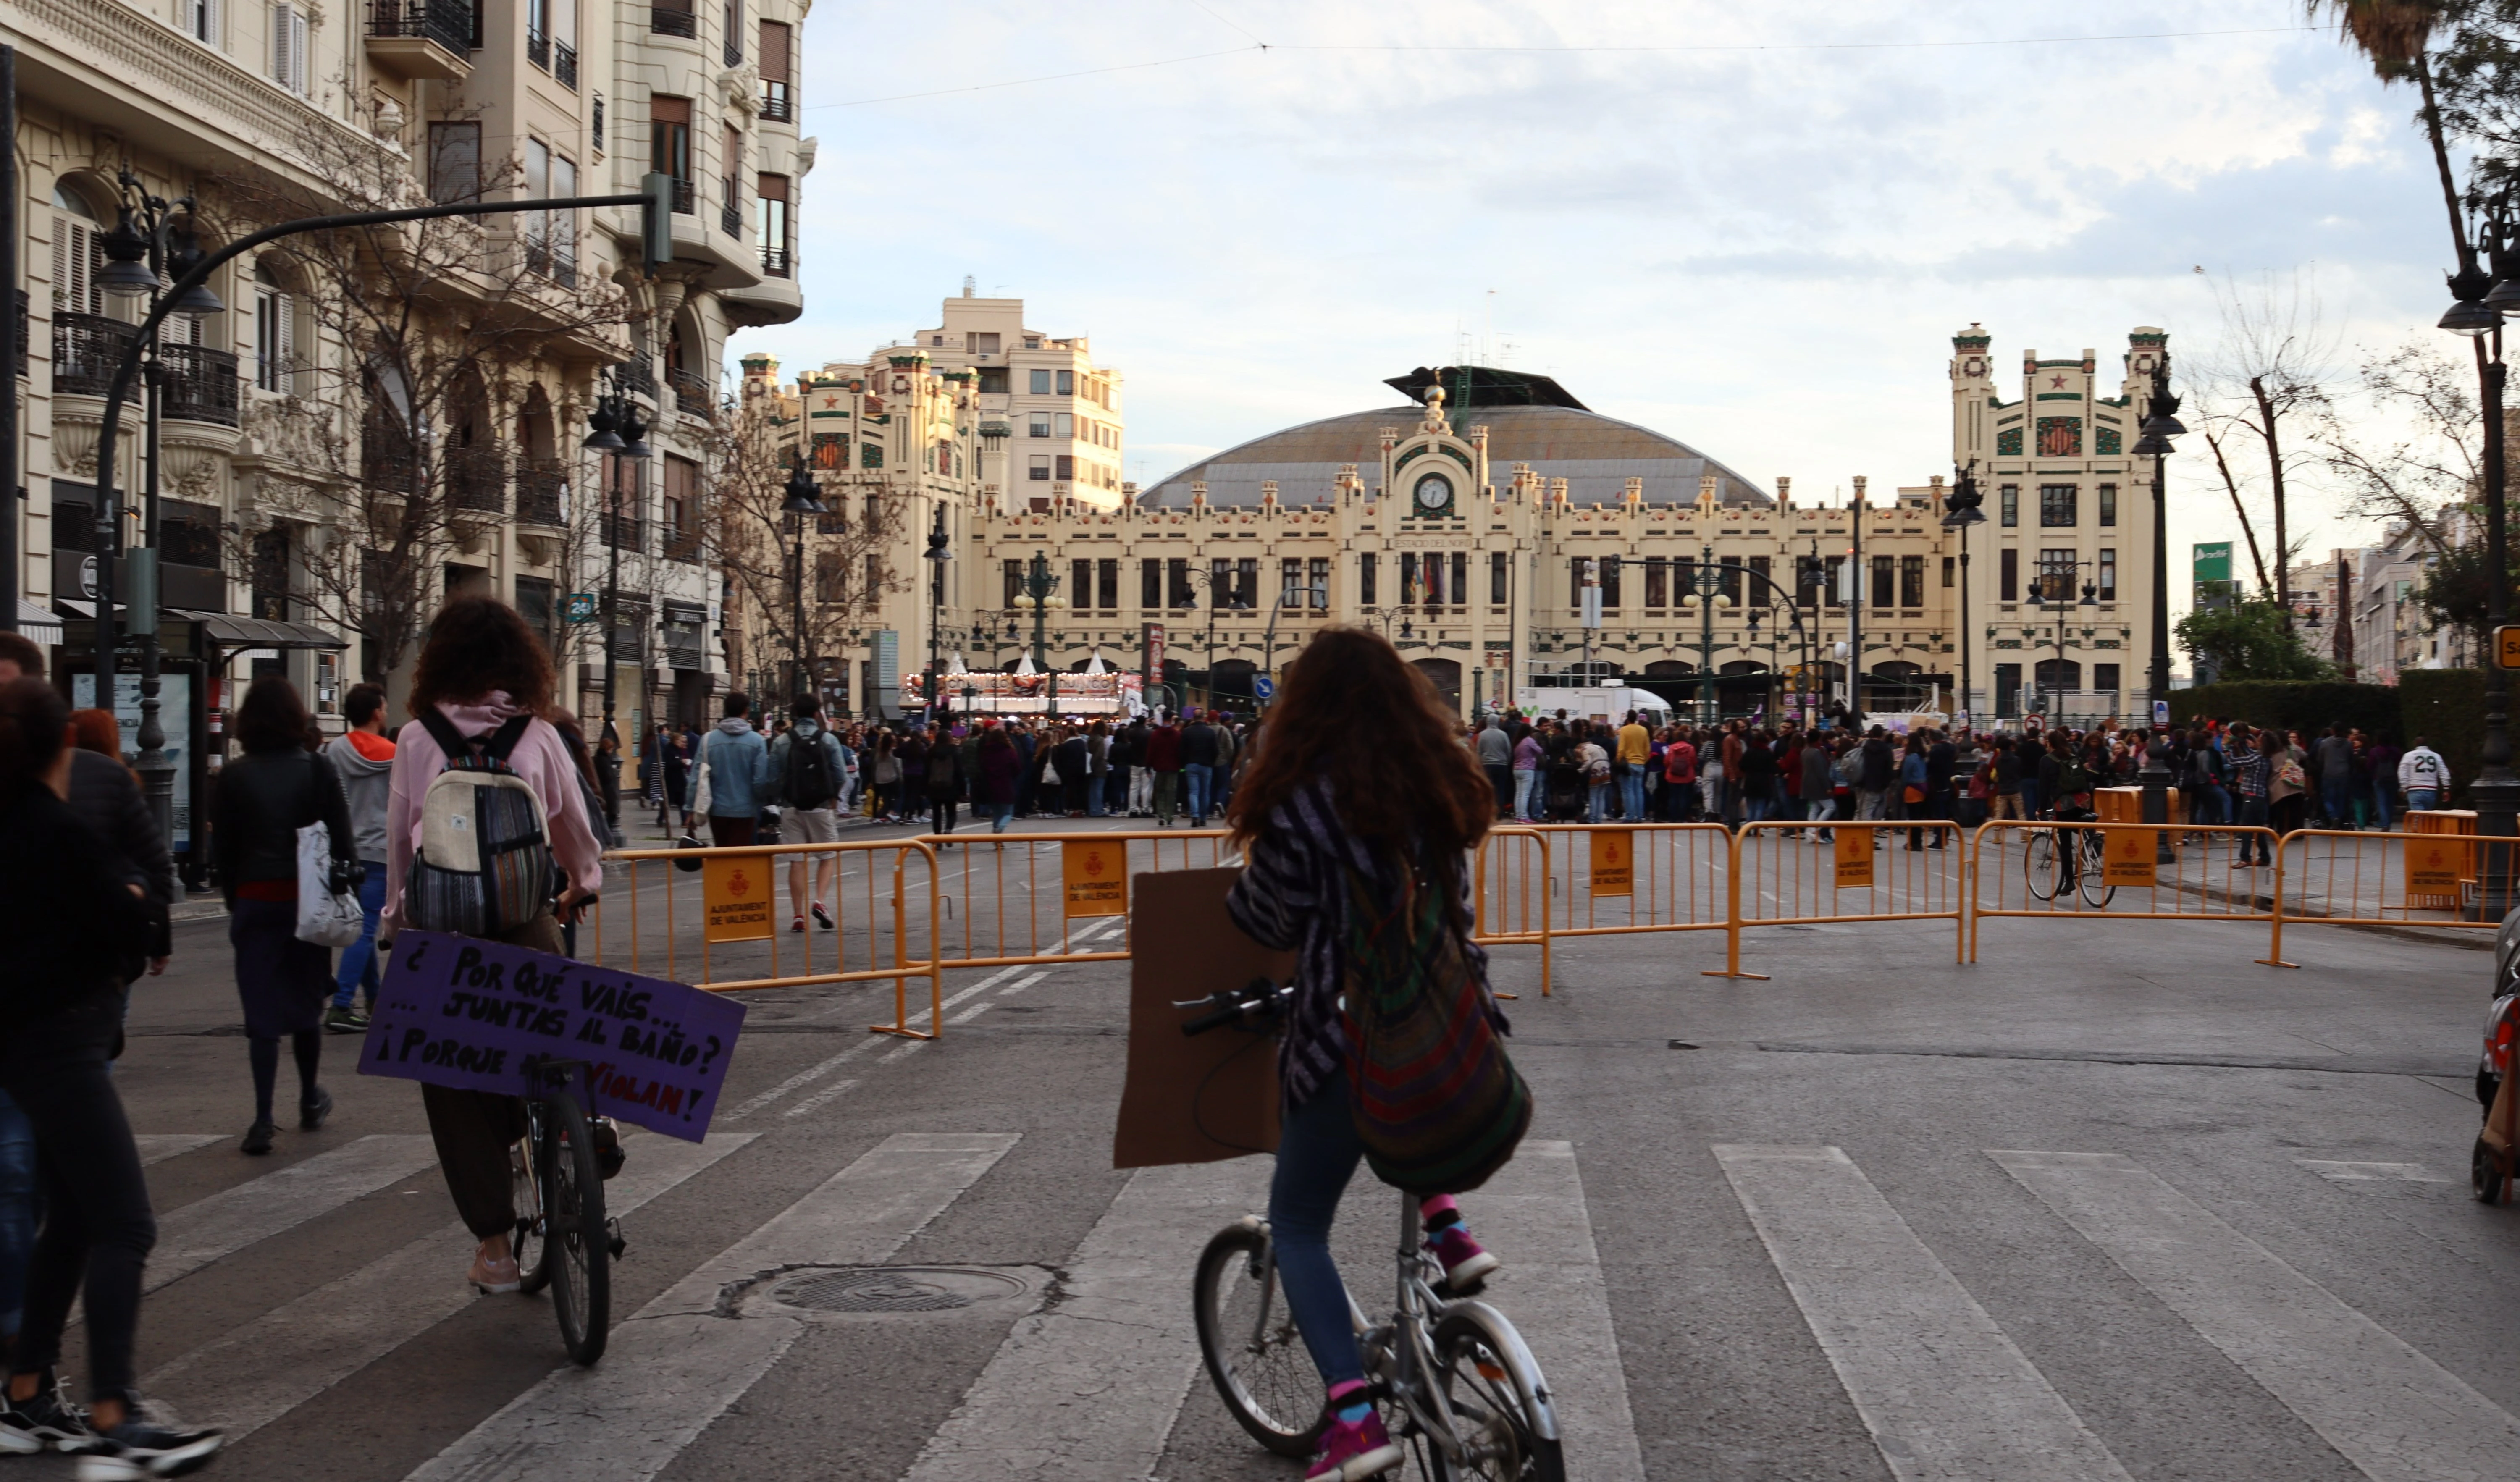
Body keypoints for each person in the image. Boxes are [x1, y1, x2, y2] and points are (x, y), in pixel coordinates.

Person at [1221, 630, 1508, 1482]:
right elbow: (1457, 905)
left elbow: (1271, 918)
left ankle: (1352, 1418)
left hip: (1347, 1032)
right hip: (1452, 1018)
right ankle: (1450, 1229)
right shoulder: (1440, 783)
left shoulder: (1301, 805)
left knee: (1299, 1223)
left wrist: (1244, 896)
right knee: (1405, 1104)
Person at [0, 677, 225, 1474]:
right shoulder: (55, 830)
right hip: (63, 1045)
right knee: (126, 1224)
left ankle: (27, 1390)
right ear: (61, 747)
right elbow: (133, 916)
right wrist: (129, 895)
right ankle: (116, 1415)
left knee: (71, 1217)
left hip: (29, 1046)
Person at [380, 596, 603, 1295]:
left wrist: (396, 921)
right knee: (565, 1023)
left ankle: (497, 1251)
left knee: (449, 1079)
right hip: (521, 918)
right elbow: (573, 827)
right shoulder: (538, 735)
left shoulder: (416, 739)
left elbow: (399, 844)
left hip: (442, 929)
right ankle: (579, 1123)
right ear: (521, 662)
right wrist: (583, 883)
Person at [214, 678, 355, 1156]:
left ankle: (262, 1117)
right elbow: (342, 840)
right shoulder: (316, 768)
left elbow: (224, 851)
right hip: (305, 900)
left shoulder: (234, 776)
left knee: (261, 1011)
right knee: (306, 1000)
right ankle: (310, 1097)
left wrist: (238, 901)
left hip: (255, 896)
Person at [322, 684, 396, 1032]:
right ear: (377, 712)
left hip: (343, 851)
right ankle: (341, 1005)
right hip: (380, 850)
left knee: (360, 927)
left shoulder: (333, 750)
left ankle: (375, 999)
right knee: (365, 930)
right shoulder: (396, 754)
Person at [765, 694, 846, 932]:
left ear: (795, 714)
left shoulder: (781, 742)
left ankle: (798, 915)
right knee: (827, 857)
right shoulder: (828, 740)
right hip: (821, 806)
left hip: (792, 806)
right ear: (816, 713)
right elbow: (841, 775)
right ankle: (820, 901)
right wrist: (832, 796)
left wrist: (780, 798)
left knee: (797, 861)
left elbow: (772, 779)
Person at [687, 693, 768, 846]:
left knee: (722, 851)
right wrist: (760, 802)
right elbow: (760, 781)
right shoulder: (757, 741)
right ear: (746, 710)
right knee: (739, 855)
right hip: (746, 810)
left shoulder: (708, 740)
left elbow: (695, 778)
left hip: (718, 809)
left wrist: (691, 808)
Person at [974, 722, 1021, 832]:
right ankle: (1000, 828)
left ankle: (996, 833)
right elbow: (1017, 768)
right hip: (1006, 783)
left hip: (991, 784)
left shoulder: (987, 751)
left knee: (997, 813)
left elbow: (982, 766)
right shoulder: (1009, 751)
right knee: (1008, 812)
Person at [925, 719, 964, 839]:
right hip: (951, 786)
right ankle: (948, 830)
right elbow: (959, 771)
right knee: (951, 812)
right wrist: (963, 790)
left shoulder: (931, 751)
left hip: (934, 786)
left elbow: (926, 770)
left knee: (937, 815)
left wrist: (924, 788)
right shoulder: (954, 751)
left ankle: (938, 839)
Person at [1147, 711, 1184, 825]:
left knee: (1160, 792)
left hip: (1159, 768)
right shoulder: (1177, 735)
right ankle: (1170, 817)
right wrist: (1181, 765)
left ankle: (1161, 814)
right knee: (1171, 793)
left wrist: (1148, 766)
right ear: (1172, 719)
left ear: (1162, 719)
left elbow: (1151, 752)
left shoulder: (1156, 734)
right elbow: (1181, 752)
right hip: (1173, 768)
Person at [1614, 710, 1650, 823]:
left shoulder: (1624, 730)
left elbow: (1621, 749)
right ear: (1636, 718)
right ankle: (1640, 816)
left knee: (1628, 791)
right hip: (1640, 763)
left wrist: (1619, 761)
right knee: (1639, 791)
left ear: (1628, 719)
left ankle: (1630, 816)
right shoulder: (1643, 730)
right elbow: (1647, 749)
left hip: (1628, 763)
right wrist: (1644, 760)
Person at [2400, 735, 2449, 814]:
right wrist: (2446, 789)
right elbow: (2444, 772)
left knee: (2418, 816)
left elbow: (2402, 773)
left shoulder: (2408, 756)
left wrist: (2404, 788)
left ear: (2415, 744)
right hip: (2431, 791)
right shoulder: (2436, 756)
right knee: (2428, 816)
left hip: (2414, 789)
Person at [1477, 715, 1512, 819]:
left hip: (1487, 764)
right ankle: (1500, 812)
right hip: (1502, 764)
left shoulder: (1482, 735)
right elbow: (1508, 750)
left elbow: (1479, 750)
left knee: (1488, 789)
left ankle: (1489, 812)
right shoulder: (1503, 734)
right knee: (1500, 789)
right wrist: (1506, 761)